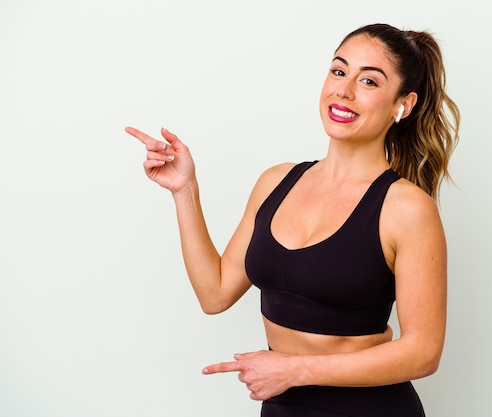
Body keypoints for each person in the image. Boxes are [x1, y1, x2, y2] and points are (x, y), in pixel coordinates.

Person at [126, 22, 460, 417]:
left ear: (402, 104)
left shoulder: (406, 207)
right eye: (339, 71)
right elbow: (214, 294)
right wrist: (185, 190)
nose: (344, 89)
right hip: (282, 408)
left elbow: (423, 353)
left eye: (369, 81)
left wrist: (295, 369)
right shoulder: (276, 182)